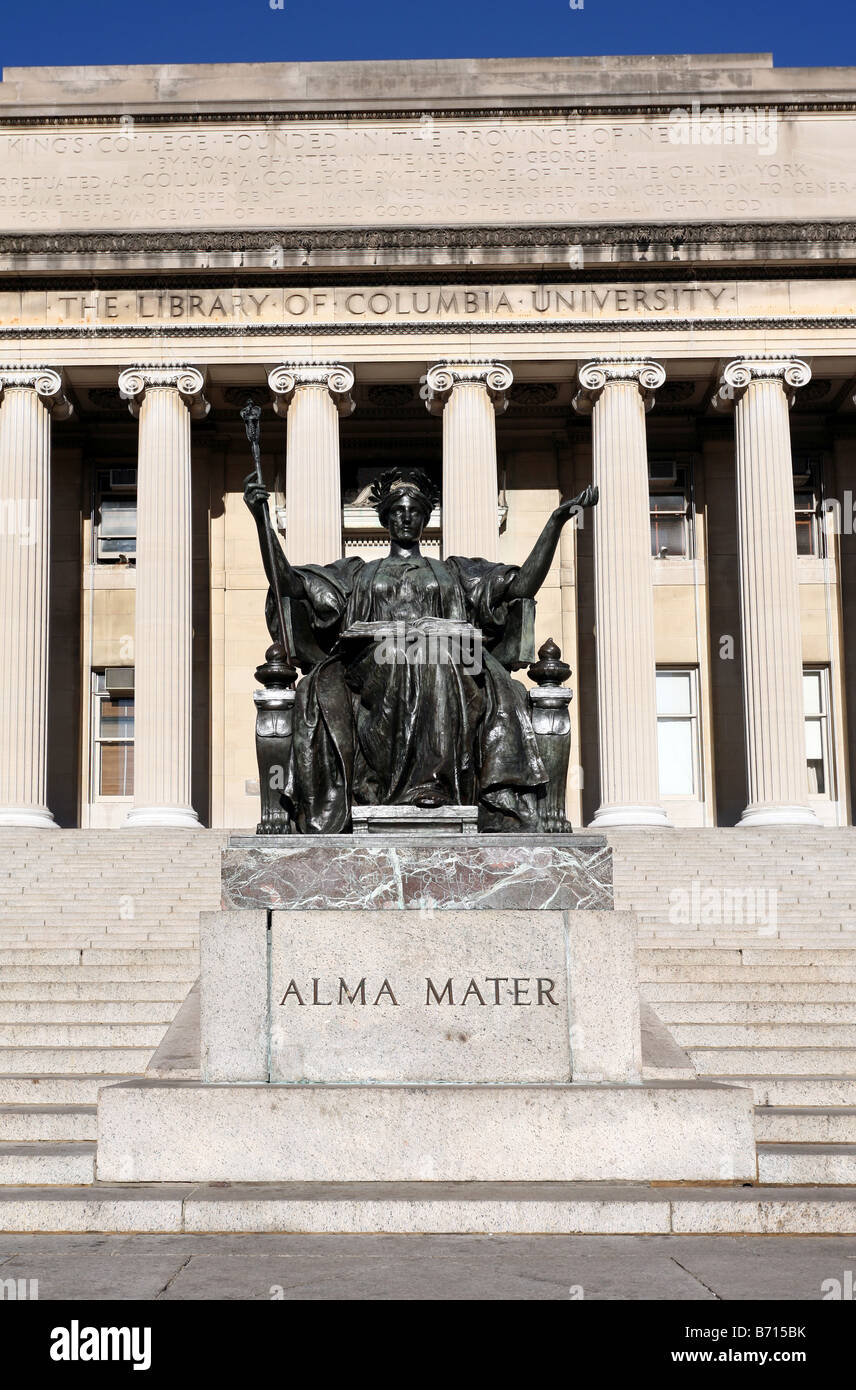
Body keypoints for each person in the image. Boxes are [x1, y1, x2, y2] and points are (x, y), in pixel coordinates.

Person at [244, 467, 597, 833]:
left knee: (435, 655)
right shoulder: (358, 573)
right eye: (397, 510)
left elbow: (522, 584)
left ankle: (432, 785)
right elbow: (290, 584)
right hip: (370, 662)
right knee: (411, 655)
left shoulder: (455, 572)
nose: (406, 517)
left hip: (451, 659)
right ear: (385, 518)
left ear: (426, 518)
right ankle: (400, 785)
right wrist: (262, 522)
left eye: (415, 510)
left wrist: (555, 523)